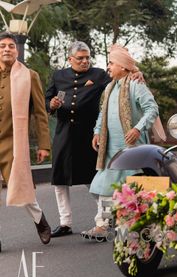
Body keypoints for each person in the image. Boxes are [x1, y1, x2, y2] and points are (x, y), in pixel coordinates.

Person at [45, 41, 148, 238]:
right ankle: (65, 222)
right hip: (64, 132)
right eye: (80, 58)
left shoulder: (99, 74)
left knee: (95, 178)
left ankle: (104, 219)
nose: (85, 62)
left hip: (89, 132)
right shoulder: (59, 76)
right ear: (70, 59)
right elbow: (47, 100)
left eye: (87, 58)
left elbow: (123, 74)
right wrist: (52, 104)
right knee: (59, 179)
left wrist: (138, 72)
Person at [82, 44, 159, 240]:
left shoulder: (136, 84)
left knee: (135, 190)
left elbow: (152, 109)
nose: (108, 67)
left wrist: (137, 129)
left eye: (111, 63)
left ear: (123, 67)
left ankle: (133, 229)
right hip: (110, 149)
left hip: (132, 149)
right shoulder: (110, 87)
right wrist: (97, 131)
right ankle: (103, 225)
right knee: (104, 188)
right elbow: (103, 113)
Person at [0, 32, 51, 245]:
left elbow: (40, 113)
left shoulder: (29, 75)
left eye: (11, 46)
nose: (6, 49)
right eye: (2, 46)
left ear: (17, 51)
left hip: (13, 142)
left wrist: (44, 145)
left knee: (21, 187)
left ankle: (40, 221)